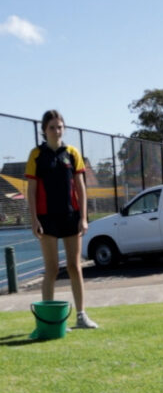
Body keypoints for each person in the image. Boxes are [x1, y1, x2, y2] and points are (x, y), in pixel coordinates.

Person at [25, 110, 98, 329]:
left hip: (71, 217)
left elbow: (81, 188)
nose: (57, 131)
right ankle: (47, 321)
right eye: (52, 128)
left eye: (60, 127)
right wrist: (34, 220)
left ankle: (81, 316)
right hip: (47, 220)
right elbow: (31, 191)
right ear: (44, 131)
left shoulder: (72, 153)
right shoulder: (36, 155)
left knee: (75, 267)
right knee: (52, 269)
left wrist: (83, 218)